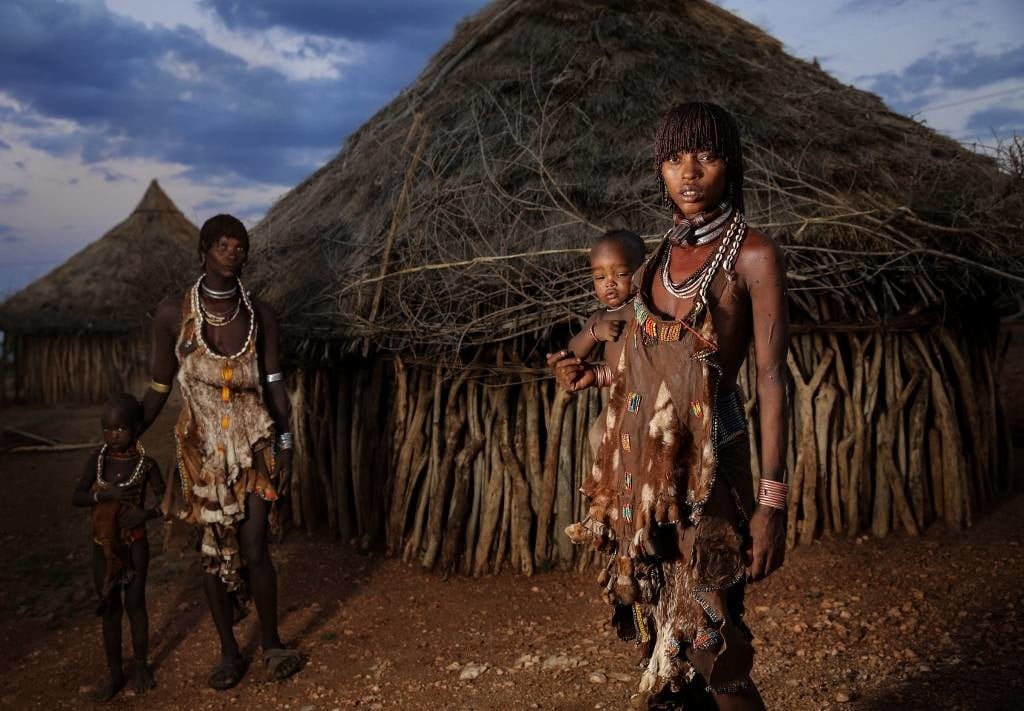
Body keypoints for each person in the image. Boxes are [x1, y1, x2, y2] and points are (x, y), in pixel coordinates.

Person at [552, 102, 789, 710]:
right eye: (674, 159)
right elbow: (646, 366)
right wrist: (592, 372)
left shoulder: (753, 256)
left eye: (705, 156)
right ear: (659, 168)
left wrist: (772, 505)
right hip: (646, 477)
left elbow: (770, 380)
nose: (689, 172)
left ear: (729, 164)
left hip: (712, 468)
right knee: (662, 640)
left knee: (714, 646)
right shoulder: (654, 261)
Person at [141, 214, 301, 689]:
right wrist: (130, 431)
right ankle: (229, 653)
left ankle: (271, 643)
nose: (233, 253)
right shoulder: (172, 315)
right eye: (223, 245)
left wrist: (286, 444)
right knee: (212, 549)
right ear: (204, 251)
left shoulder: (260, 316)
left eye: (240, 246)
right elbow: (158, 387)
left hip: (253, 446)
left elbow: (275, 387)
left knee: (254, 545)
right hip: (202, 450)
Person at [72, 393, 165, 701]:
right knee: (110, 607)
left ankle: (141, 666)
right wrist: (104, 496)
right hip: (103, 546)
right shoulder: (97, 461)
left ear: (136, 428)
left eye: (121, 429)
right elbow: (77, 497)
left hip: (136, 543)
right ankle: (114, 673)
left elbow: (168, 502)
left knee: (135, 604)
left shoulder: (146, 464)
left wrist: (146, 514)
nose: (113, 435)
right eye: (108, 429)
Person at [565, 229, 646, 453]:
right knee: (598, 435)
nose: (609, 283)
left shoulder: (645, 308)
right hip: (621, 397)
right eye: (600, 278)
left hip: (649, 393)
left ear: (641, 271)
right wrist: (594, 333)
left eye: (620, 274)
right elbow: (573, 353)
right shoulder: (600, 318)